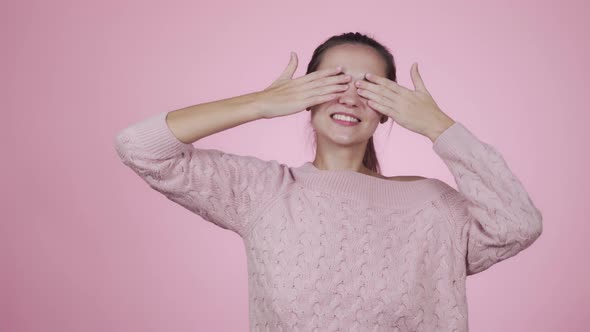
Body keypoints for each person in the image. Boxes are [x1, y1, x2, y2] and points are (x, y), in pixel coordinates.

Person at [114, 32, 543, 331]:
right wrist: (260, 103)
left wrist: (439, 127)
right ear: (305, 97)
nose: (349, 97)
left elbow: (518, 223)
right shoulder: (263, 192)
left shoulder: (431, 207)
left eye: (369, 88)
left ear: (388, 108)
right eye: (333, 81)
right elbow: (140, 146)